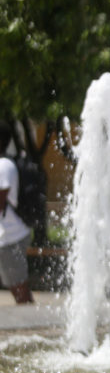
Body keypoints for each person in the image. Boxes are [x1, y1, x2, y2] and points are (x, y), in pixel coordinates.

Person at [0, 122, 34, 304]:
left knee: (20, 288)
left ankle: (33, 325)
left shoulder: (3, 165)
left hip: (13, 234)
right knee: (16, 286)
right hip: (8, 235)